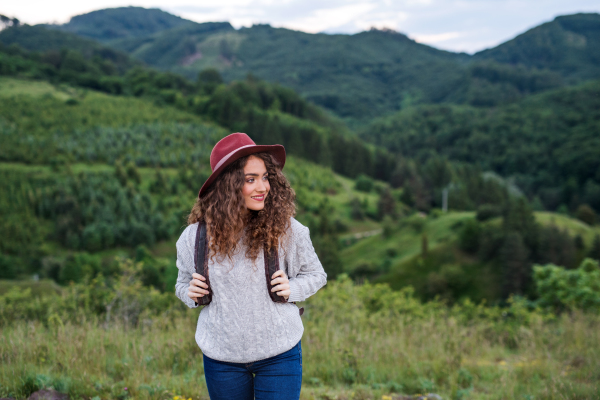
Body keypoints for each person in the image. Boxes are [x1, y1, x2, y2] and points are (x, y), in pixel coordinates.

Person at [174, 132, 327, 400]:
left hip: (279, 354)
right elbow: (181, 284)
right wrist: (190, 293)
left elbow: (316, 275)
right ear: (227, 186)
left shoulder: (288, 230)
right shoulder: (194, 238)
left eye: (265, 177)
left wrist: (293, 288)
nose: (263, 187)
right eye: (250, 179)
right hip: (222, 358)